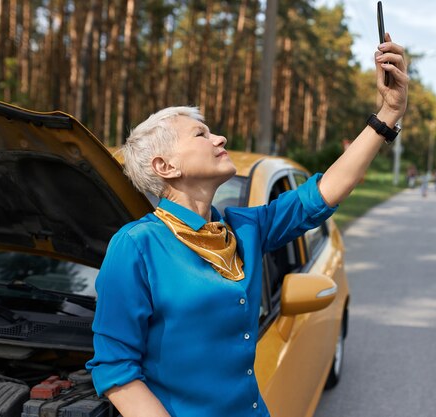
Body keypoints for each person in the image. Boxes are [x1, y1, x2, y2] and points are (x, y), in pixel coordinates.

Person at [85, 34, 408, 417]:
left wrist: (388, 114)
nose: (219, 137)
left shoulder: (244, 228)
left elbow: (325, 192)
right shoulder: (137, 247)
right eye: (201, 134)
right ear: (166, 167)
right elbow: (116, 369)